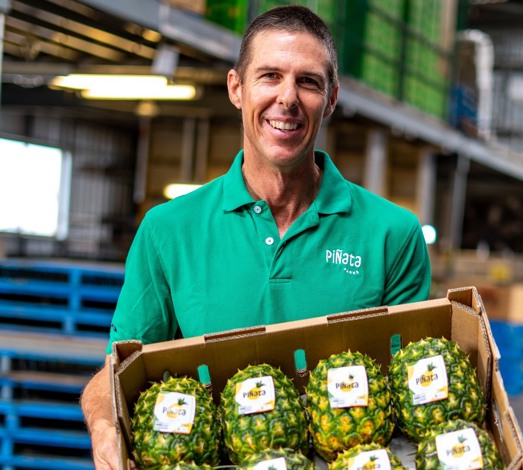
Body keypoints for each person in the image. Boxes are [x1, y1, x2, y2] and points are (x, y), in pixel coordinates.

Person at [81, 5, 431, 469]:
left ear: (330, 99)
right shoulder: (168, 229)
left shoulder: (392, 233)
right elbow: (118, 370)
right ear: (236, 88)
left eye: (308, 82)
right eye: (269, 76)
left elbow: (414, 391)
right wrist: (103, 426)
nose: (288, 98)